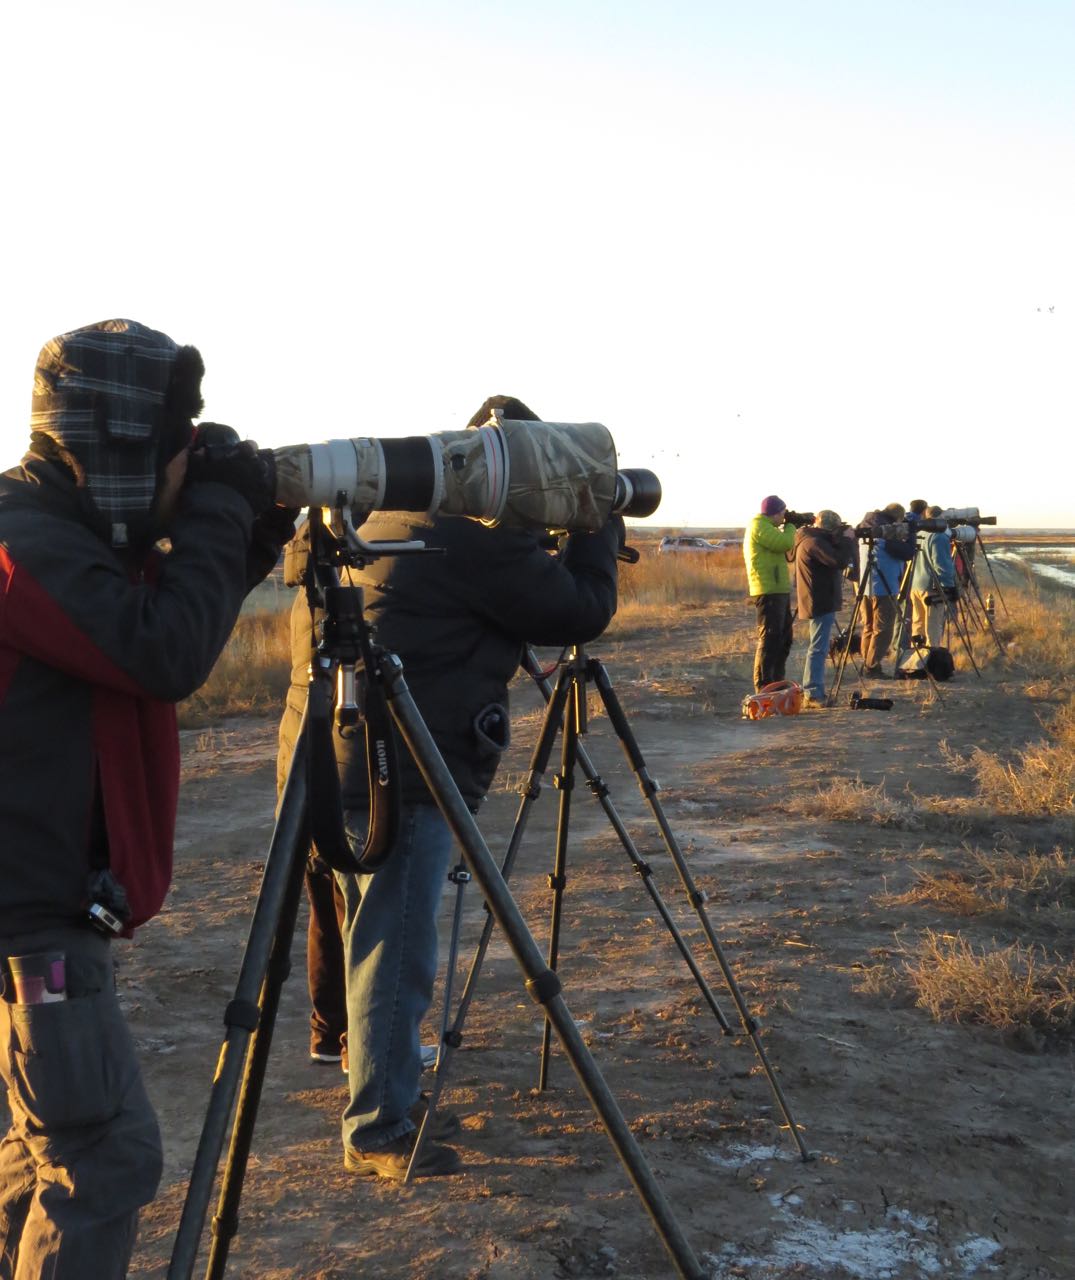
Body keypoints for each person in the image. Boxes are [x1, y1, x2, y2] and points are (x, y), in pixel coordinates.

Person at [0, 318, 295, 1280]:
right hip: (30, 923)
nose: (183, 472)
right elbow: (157, 651)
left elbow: (149, 635)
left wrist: (240, 540)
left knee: (40, 1150)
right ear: (122, 450)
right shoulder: (20, 543)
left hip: (37, 906)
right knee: (103, 1156)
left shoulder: (48, 533)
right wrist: (215, 509)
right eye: (177, 452)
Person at [277, 395, 621, 1181]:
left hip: (317, 751)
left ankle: (347, 1049)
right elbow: (579, 610)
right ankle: (379, 1128)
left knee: (345, 915)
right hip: (405, 765)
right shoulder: (474, 538)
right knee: (395, 947)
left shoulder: (374, 507)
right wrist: (596, 525)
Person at [794, 511, 853, 706]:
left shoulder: (809, 539)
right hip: (820, 599)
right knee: (818, 647)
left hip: (818, 598)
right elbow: (840, 561)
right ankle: (812, 693)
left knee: (819, 646)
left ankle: (813, 690)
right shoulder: (815, 543)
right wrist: (847, 541)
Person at [856, 502, 915, 678]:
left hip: (866, 586)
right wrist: (910, 532)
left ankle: (867, 662)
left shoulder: (866, 526)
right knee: (883, 628)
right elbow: (907, 553)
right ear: (897, 517)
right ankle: (872, 667)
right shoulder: (885, 531)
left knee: (868, 626)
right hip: (884, 585)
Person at [744, 496, 796, 691]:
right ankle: (764, 685)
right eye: (782, 513)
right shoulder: (759, 526)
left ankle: (776, 680)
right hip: (767, 590)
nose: (784, 518)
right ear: (774, 513)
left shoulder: (769, 528)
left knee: (784, 638)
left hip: (778, 589)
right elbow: (783, 543)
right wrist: (791, 527)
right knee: (770, 638)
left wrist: (788, 526)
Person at [900, 504, 958, 671]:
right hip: (932, 587)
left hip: (915, 584)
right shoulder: (938, 537)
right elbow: (942, 564)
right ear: (941, 519)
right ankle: (932, 663)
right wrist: (949, 586)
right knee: (933, 625)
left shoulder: (920, 532)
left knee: (918, 624)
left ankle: (916, 662)